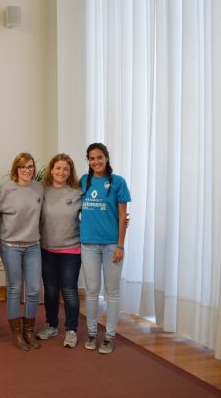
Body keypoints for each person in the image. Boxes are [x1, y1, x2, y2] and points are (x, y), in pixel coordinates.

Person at [80, 143, 131, 354]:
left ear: (107, 158)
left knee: (112, 292)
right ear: (88, 161)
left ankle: (109, 336)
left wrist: (120, 246)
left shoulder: (118, 182)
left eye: (99, 157)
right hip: (88, 245)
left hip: (112, 245)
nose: (96, 162)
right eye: (92, 159)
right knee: (91, 291)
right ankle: (92, 333)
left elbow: (122, 217)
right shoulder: (84, 181)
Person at [0, 152, 44, 351]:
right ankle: (16, 333)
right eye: (23, 167)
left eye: (30, 166)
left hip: (33, 245)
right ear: (16, 168)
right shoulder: (5, 189)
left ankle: (29, 330)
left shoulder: (39, 188)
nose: (27, 170)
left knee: (33, 289)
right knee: (14, 289)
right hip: (11, 246)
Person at [36, 154, 82, 348]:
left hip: (71, 249)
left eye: (65, 169)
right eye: (58, 168)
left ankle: (71, 330)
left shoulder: (78, 192)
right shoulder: (42, 191)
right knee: (51, 290)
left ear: (70, 172)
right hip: (47, 248)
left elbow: (97, 212)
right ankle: (51, 325)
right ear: (51, 170)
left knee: (69, 290)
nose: (61, 172)